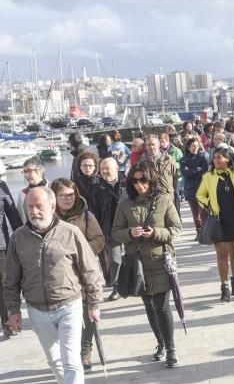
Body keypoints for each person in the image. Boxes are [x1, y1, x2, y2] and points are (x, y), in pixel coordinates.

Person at [4, 186, 103, 384]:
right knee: (54, 361)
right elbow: (11, 279)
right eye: (30, 207)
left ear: (52, 207)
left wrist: (94, 304)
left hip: (69, 304)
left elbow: (90, 270)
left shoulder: (70, 233)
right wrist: (13, 311)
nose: (34, 211)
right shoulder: (18, 238)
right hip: (37, 309)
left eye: (39, 206)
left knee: (71, 361)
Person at [111, 165, 182, 368]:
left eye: (144, 180)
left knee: (162, 306)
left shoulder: (164, 200)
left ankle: (171, 348)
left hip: (160, 260)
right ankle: (160, 343)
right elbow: (115, 232)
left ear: (151, 181)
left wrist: (155, 233)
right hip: (137, 263)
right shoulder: (124, 205)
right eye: (135, 181)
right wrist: (129, 234)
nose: (140, 184)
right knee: (149, 306)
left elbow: (176, 229)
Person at [51, 178, 106, 372]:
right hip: (58, 276)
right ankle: (68, 354)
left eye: (71, 194)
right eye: (62, 195)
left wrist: (80, 255)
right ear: (54, 197)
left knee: (86, 311)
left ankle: (85, 350)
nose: (67, 198)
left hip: (83, 272)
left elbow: (99, 240)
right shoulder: (48, 218)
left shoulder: (86, 216)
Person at [196, 144, 234, 302]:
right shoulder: (208, 177)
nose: (216, 160)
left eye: (220, 157)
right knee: (222, 254)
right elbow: (200, 195)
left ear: (228, 159)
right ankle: (224, 286)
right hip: (218, 219)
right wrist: (209, 205)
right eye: (215, 157)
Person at [93, 158, 126, 301]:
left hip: (129, 226)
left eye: (108, 168)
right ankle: (116, 287)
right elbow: (93, 212)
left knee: (135, 255)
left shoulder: (127, 182)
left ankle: (136, 281)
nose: (105, 171)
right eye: (102, 169)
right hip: (109, 229)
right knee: (115, 260)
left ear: (117, 168)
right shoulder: (97, 188)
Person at [0, 174, 23, 337]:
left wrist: (21, 237)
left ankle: (8, 321)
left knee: (5, 283)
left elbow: (13, 215)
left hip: (1, 245)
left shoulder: (2, 186)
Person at [180, 137, 210, 234]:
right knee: (195, 213)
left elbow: (205, 170)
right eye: (193, 146)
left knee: (203, 212)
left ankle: (205, 231)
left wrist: (192, 170)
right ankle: (199, 231)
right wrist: (197, 169)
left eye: (197, 146)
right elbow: (185, 173)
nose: (195, 148)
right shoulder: (184, 159)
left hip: (202, 187)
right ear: (188, 147)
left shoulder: (203, 156)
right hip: (190, 188)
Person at [16, 158, 48, 222]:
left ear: (40, 171)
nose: (26, 175)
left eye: (29, 171)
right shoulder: (23, 193)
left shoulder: (52, 188)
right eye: (25, 172)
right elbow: (21, 217)